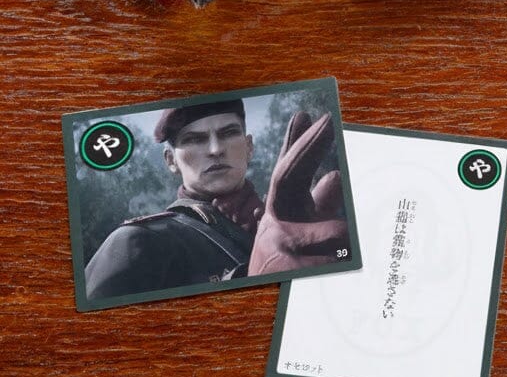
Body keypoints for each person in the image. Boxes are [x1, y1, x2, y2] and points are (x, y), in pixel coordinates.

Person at [84, 99, 347, 301]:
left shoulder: (292, 219)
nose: (215, 149)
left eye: (228, 133)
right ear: (171, 161)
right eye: (194, 139)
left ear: (249, 147)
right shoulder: (138, 242)